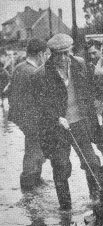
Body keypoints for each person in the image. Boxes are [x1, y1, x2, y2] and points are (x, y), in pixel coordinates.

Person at [32, 34, 103, 211]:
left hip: (79, 123)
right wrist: (56, 117)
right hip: (57, 128)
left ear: (70, 51)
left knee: (92, 162)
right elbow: (39, 106)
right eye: (58, 54)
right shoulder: (41, 74)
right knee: (61, 166)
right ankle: (66, 210)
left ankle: (95, 200)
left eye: (66, 53)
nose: (62, 58)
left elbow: (90, 91)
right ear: (51, 53)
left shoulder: (79, 64)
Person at [8, 38, 47, 190]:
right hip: (32, 118)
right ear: (40, 54)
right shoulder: (34, 72)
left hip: (20, 116)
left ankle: (34, 178)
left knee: (32, 147)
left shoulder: (19, 67)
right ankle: (29, 182)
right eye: (45, 54)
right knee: (34, 149)